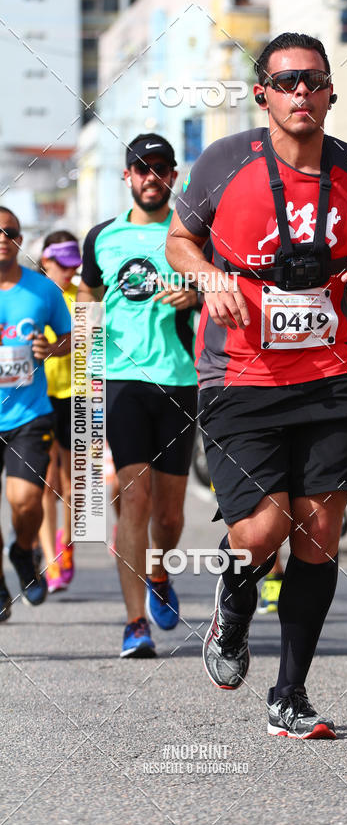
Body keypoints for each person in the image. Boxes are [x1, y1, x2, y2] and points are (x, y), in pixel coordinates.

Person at [166, 32, 347, 739]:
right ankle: (236, 598)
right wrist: (211, 278)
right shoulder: (223, 162)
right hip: (240, 376)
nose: (303, 92)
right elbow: (179, 240)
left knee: (321, 530)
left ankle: (290, 694)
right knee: (263, 530)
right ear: (262, 92)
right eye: (287, 80)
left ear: (330, 91)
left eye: (315, 80)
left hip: (331, 375)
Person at [77, 134, 199, 657]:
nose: (151, 177)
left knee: (169, 517)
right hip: (123, 380)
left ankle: (159, 575)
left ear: (173, 175)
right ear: (126, 176)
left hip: (180, 379)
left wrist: (196, 293)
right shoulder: (102, 237)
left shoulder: (190, 232)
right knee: (134, 498)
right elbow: (88, 298)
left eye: (161, 168)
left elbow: (218, 287)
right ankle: (133, 623)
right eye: (141, 168)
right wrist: (82, 354)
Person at [0, 207, 71, 621]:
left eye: (10, 231)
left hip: (29, 414)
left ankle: (23, 550)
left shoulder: (43, 291)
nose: (2, 237)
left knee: (26, 502)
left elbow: (68, 336)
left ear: (20, 240)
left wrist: (53, 349)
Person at [38, 231, 81, 593]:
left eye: (74, 265)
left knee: (72, 482)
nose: (70, 271)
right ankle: (49, 555)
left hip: (77, 394)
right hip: (38, 396)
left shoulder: (82, 295)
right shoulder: (33, 293)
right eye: (62, 265)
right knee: (46, 481)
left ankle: (65, 546)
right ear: (45, 260)